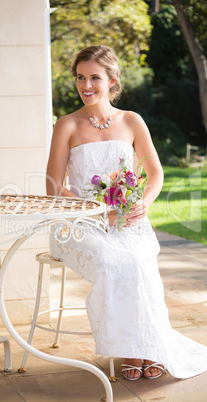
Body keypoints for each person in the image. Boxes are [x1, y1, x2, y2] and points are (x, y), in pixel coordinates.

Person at [46, 45, 207, 381]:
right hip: (79, 224)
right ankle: (131, 349)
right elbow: (52, 186)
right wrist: (92, 210)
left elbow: (156, 173)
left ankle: (150, 346)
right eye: (80, 77)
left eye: (94, 77)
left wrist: (143, 203)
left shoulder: (132, 120)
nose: (85, 85)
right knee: (111, 259)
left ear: (112, 81)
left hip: (128, 221)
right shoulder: (66, 125)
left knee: (137, 260)